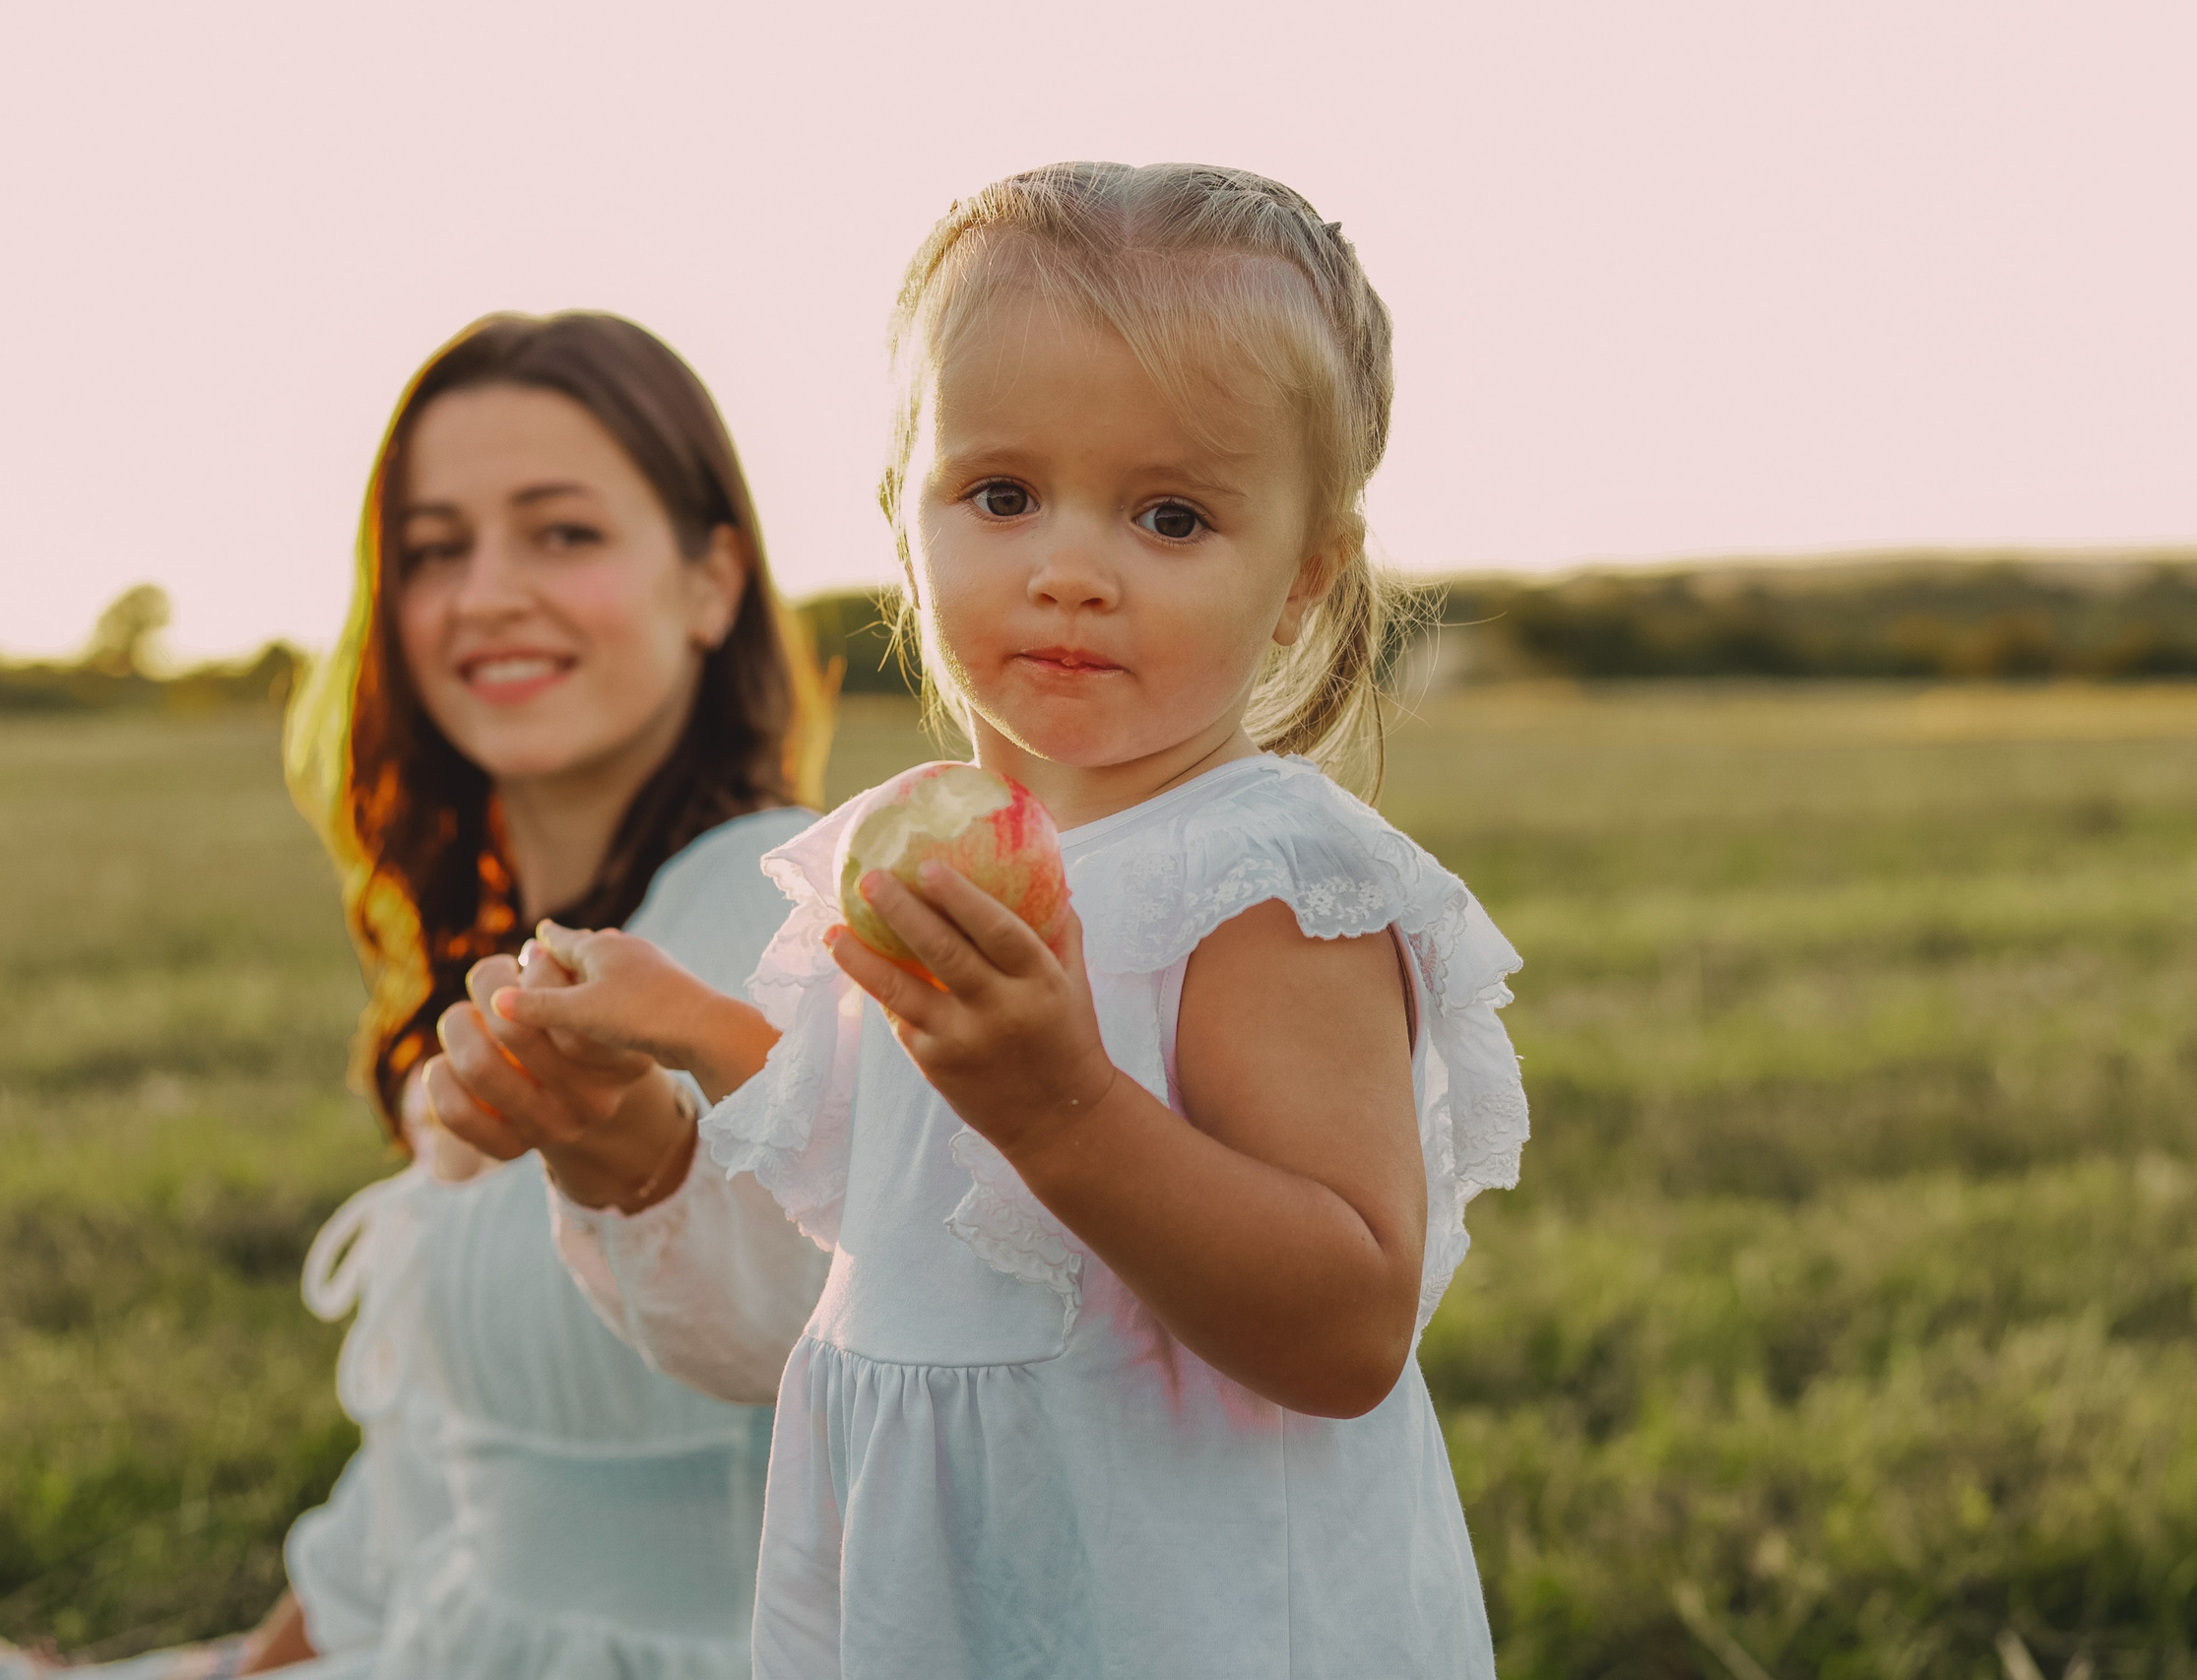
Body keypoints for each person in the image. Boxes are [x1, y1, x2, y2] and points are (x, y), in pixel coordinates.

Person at [431, 162, 1532, 1678]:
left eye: (1171, 515)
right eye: (1002, 495)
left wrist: (1069, 1107)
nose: (1070, 570)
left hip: (1192, 1617)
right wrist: (659, 1053)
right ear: (908, 510)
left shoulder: (1264, 880)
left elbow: (1346, 1329)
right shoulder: (920, 846)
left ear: (1302, 579)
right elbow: (882, 1202)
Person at [0, 309, 829, 1680]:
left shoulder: (781, 915)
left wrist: (642, 1156)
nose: (489, 590)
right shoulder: (494, 957)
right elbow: (427, 1492)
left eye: (563, 532)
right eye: (436, 548)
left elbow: (811, 1317)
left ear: (711, 581)